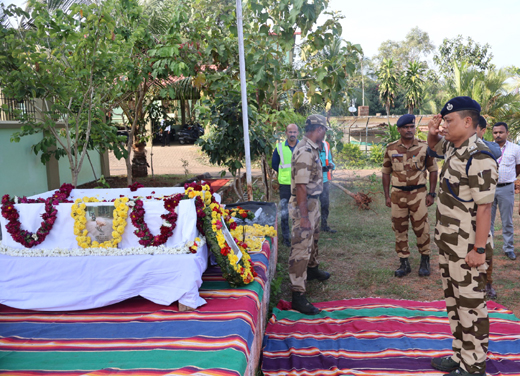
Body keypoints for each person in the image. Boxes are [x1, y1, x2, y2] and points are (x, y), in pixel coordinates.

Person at [428, 96, 497, 376]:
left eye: (449, 120)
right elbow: (433, 148)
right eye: (444, 120)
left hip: (468, 249)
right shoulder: (455, 148)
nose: (444, 125)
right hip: (449, 245)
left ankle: (474, 365)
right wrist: (433, 134)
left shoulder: (478, 156)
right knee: (455, 303)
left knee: (471, 307)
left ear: (468, 122)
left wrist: (478, 251)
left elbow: (484, 208)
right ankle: (460, 355)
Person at [382, 114, 438, 278]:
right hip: (398, 194)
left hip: (418, 193)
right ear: (399, 129)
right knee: (399, 228)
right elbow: (386, 172)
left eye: (411, 126)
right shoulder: (391, 148)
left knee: (422, 228)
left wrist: (432, 193)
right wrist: (387, 196)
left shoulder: (424, 147)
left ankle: (425, 261)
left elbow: (433, 170)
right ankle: (404, 262)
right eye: (405, 127)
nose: (409, 130)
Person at [289, 114, 331, 315]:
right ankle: (297, 294)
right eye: (324, 131)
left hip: (312, 203)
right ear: (319, 129)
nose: (324, 135)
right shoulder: (306, 151)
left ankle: (312, 269)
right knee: (301, 249)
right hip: (304, 205)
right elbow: (301, 187)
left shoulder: (312, 148)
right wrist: (304, 216)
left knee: (313, 240)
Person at [476, 116, 501, 300]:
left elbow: (496, 151)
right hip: (462, 208)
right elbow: (432, 150)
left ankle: (489, 283)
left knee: (487, 246)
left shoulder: (490, 147)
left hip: (484, 202)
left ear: (483, 130)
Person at [491, 121, 520, 262]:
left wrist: (510, 179)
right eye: (495, 132)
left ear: (507, 133)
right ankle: (487, 247)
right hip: (488, 188)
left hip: (506, 188)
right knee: (487, 220)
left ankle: (508, 248)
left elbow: (518, 167)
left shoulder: (515, 148)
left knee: (507, 221)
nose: (498, 135)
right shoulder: (487, 147)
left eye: (501, 132)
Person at [272, 124, 299, 247]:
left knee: (299, 210)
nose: (292, 134)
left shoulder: (303, 147)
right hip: (285, 184)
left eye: (294, 132)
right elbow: (274, 165)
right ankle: (286, 238)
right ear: (286, 133)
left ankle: (298, 235)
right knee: (284, 211)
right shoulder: (279, 148)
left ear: (297, 133)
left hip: (300, 184)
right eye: (290, 132)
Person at [319, 138, 336, 233]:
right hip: (312, 181)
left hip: (324, 180)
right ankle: (310, 227)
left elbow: (329, 160)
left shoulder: (325, 145)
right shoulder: (308, 145)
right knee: (311, 205)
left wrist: (331, 164)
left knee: (325, 204)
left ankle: (324, 225)